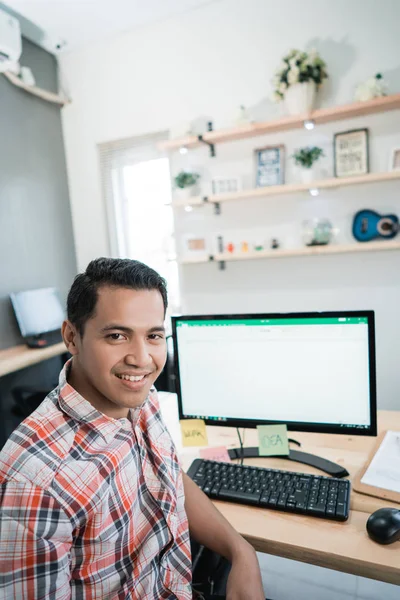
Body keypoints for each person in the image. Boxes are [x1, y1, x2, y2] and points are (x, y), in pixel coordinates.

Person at [0, 258, 265, 599]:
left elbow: (168, 473)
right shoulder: (34, 483)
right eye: (116, 335)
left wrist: (242, 551)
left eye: (153, 336)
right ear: (71, 336)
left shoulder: (141, 396)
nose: (141, 359)